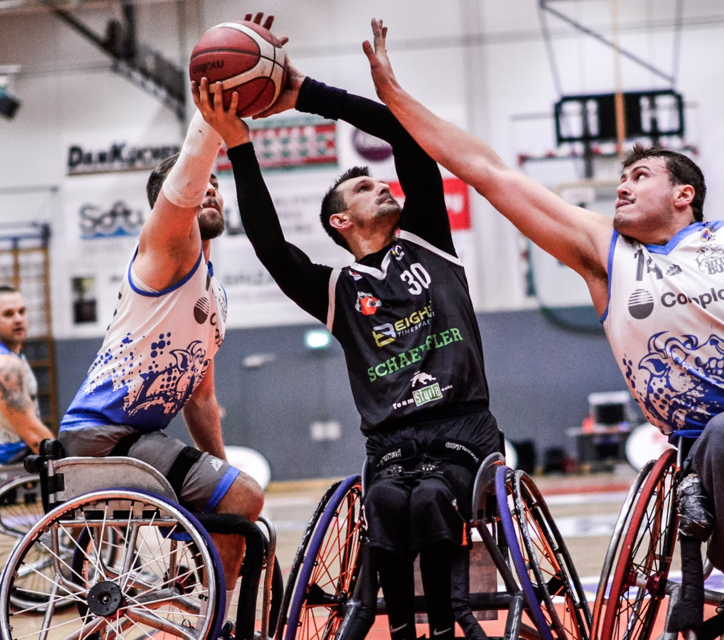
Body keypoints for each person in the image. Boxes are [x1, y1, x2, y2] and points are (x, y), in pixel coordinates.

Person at [361, 16, 724, 635]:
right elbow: (488, 170)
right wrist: (395, 98)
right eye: (620, 179)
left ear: (684, 193)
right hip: (705, 432)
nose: (621, 186)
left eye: (640, 176)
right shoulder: (606, 254)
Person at [198, 14, 501, 640]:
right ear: (341, 223)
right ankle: (400, 632)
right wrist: (239, 146)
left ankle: (443, 629)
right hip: (391, 446)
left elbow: (401, 134)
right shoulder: (336, 289)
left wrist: (305, 93)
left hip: (461, 429)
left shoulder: (429, 242)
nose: (383, 186)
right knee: (390, 499)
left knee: (430, 499)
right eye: (366, 186)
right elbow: (271, 246)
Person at [56, 80, 263, 604]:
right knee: (246, 497)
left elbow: (202, 400)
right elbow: (186, 183)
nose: (211, 188)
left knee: (238, 506)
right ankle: (196, 610)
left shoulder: (212, 300)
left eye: (218, 183)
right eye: (202, 184)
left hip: (135, 438)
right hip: (103, 433)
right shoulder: (164, 250)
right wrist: (212, 120)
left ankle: (197, 612)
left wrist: (223, 484)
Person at [0, 286, 55, 489]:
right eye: (8, 314)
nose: (18, 319)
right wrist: (69, 462)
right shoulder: (3, 366)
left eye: (21, 312)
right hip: (5, 456)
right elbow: (32, 432)